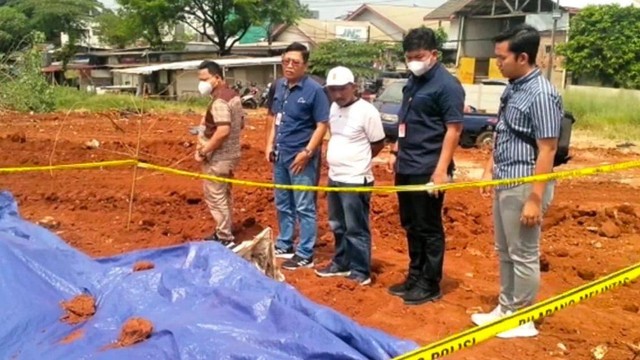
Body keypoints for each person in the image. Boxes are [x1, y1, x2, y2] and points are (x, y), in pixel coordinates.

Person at [471, 24, 562, 338]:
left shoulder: (542, 94)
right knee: (505, 250)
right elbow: (503, 133)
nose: (497, 62)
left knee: (523, 253)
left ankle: (523, 318)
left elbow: (547, 148)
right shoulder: (513, 87)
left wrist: (535, 198)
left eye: (502, 57)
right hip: (504, 180)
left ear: (522, 57)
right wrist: (489, 168)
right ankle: (506, 307)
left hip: (525, 183)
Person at [387, 27, 465, 305]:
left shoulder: (447, 85)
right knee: (410, 224)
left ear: (434, 54)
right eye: (409, 57)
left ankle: (430, 283)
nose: (413, 62)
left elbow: (453, 130)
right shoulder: (413, 81)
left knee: (428, 226)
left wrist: (441, 170)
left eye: (418, 56)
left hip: (429, 166)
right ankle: (414, 275)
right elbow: (407, 121)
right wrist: (397, 150)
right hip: (407, 164)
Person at [314, 66, 385, 286]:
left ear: (353, 87)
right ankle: (341, 263)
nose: (337, 94)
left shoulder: (367, 111)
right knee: (337, 224)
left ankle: (360, 271)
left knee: (356, 227)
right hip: (335, 176)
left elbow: (378, 143)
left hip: (355, 179)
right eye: (332, 90)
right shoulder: (334, 108)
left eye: (342, 89)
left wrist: (358, 162)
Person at [265, 42, 330, 270]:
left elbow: (322, 125)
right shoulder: (279, 87)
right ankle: (285, 242)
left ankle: (305, 252)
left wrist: (307, 152)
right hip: (280, 154)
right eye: (286, 61)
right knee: (283, 202)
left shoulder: (315, 91)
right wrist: (269, 145)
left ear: (305, 65)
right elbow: (275, 117)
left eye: (295, 62)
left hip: (301, 157)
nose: (289, 66)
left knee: (304, 205)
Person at [195, 60, 244, 248]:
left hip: (219, 157)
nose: (202, 83)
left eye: (205, 79)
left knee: (216, 196)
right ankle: (225, 231)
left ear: (216, 78)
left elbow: (223, 131)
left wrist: (204, 150)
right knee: (224, 194)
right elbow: (240, 124)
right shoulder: (232, 96)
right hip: (231, 155)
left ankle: (224, 237)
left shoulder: (220, 101)